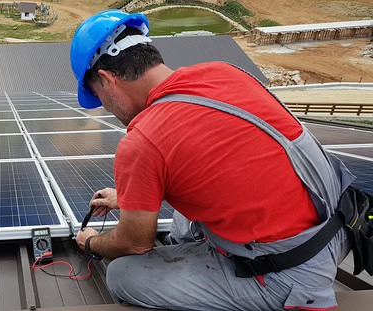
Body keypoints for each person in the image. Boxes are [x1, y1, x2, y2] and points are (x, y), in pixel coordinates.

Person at [70, 10, 354, 311]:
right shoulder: (224, 72)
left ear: (106, 80)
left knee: (121, 275)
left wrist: (91, 242)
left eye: (97, 96)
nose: (104, 107)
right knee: (182, 217)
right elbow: (214, 162)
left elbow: (135, 244)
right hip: (336, 233)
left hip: (289, 274)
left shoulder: (141, 140)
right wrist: (127, 197)